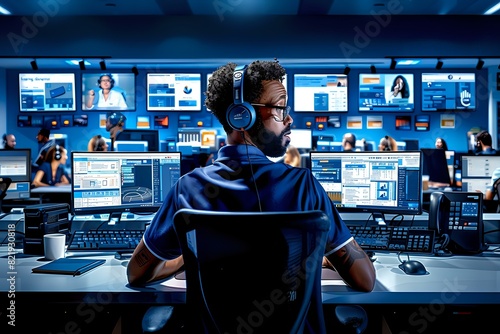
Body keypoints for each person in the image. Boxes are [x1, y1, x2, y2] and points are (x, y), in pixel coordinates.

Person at [127, 61, 376, 295]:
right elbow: (364, 280)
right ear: (242, 116)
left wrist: (195, 256)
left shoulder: (188, 189)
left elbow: (137, 273)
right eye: (280, 109)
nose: (289, 119)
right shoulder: (304, 186)